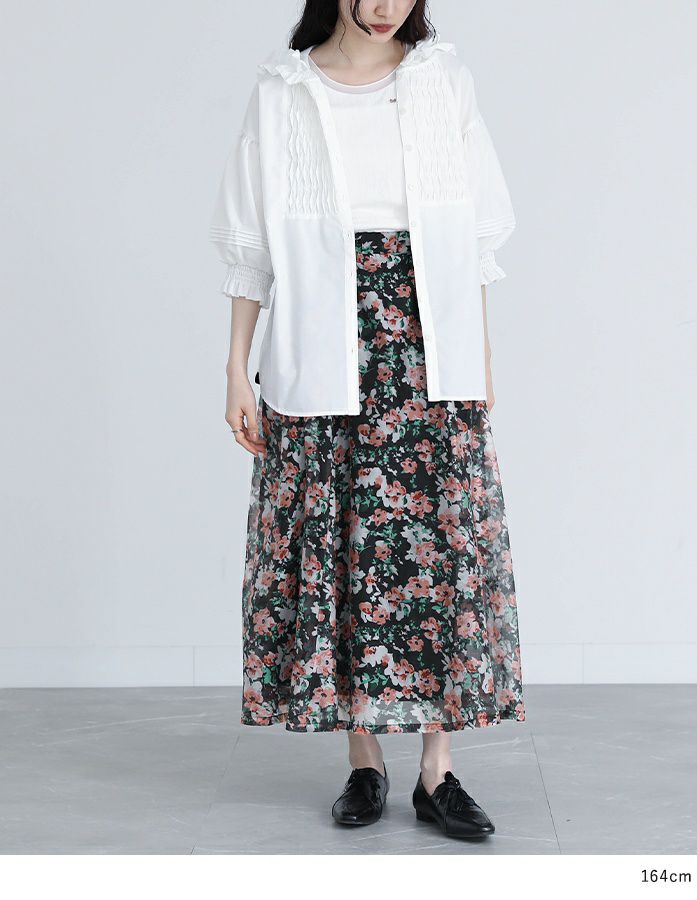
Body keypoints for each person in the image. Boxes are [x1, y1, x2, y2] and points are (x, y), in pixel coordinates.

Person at [209, 0, 525, 840]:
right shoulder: (283, 90)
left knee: (440, 545)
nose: (386, 7)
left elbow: (474, 235)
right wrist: (236, 367)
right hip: (319, 339)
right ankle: (363, 758)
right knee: (339, 539)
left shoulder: (441, 79)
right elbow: (250, 245)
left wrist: (479, 355)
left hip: (429, 343)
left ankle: (437, 770)